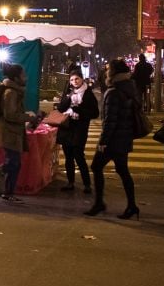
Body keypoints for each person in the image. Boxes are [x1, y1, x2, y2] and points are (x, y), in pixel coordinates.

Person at [86, 58, 140, 219]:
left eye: (109, 69)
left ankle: (99, 203)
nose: (106, 71)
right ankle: (132, 206)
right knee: (123, 171)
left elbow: (110, 120)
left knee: (96, 166)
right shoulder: (129, 88)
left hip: (113, 140)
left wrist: (103, 141)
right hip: (124, 137)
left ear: (114, 73)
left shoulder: (114, 92)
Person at [0, 63, 37, 202]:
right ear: (16, 78)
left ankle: (6, 191)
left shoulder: (15, 91)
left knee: (13, 163)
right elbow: (10, 115)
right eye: (23, 75)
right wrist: (29, 117)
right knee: (13, 164)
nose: (26, 78)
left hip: (12, 133)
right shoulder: (11, 92)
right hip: (9, 134)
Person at [56, 70, 99, 193]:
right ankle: (70, 182)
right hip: (66, 127)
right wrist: (69, 98)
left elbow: (95, 113)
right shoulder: (69, 92)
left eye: (77, 79)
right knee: (68, 157)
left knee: (79, 156)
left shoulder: (88, 94)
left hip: (80, 128)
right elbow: (61, 108)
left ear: (82, 79)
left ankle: (87, 184)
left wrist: (79, 110)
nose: (74, 82)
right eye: (72, 80)